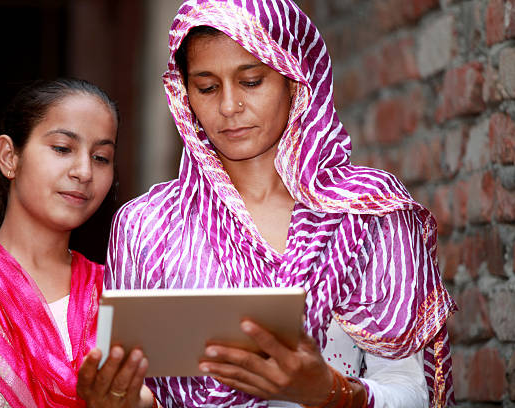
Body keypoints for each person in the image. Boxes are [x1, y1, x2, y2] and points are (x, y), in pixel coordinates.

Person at [87, 1, 457, 407]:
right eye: (207, 87)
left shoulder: (368, 213)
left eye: (251, 81)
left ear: (295, 81)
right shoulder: (146, 225)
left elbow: (412, 391)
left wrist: (329, 392)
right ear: (184, 94)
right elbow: (139, 388)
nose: (229, 107)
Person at [0, 78, 155, 408]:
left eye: (101, 157)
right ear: (9, 156)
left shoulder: (120, 295)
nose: (83, 171)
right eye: (63, 148)